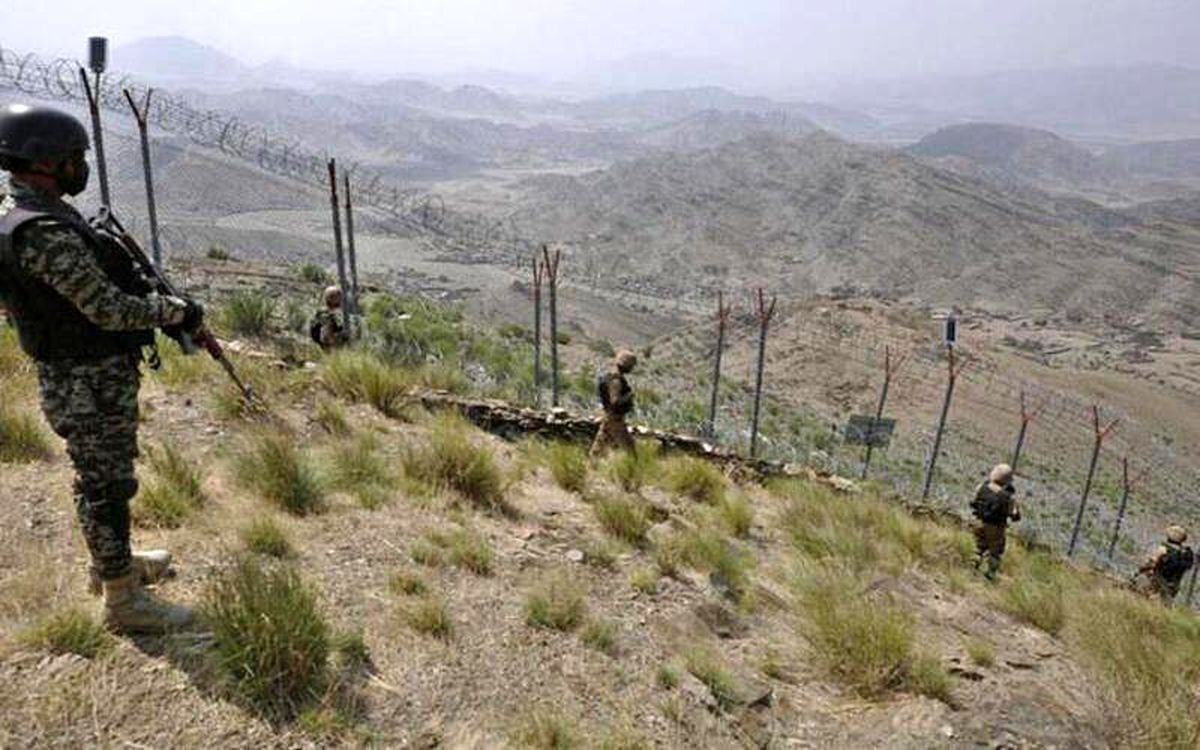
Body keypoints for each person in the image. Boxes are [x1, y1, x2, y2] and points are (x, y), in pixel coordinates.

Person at [0, 104, 201, 633]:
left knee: (106, 480)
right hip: (84, 378)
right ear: (45, 161)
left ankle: (113, 566)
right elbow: (106, 308)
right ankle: (122, 600)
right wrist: (172, 311)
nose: (80, 166)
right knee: (104, 486)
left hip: (87, 373)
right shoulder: (41, 232)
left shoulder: (31, 215)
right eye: (74, 157)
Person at [969, 463, 1021, 580]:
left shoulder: (981, 487)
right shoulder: (1007, 497)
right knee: (995, 553)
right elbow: (1015, 516)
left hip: (979, 522)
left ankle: (972, 570)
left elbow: (973, 502)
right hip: (996, 528)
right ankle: (989, 576)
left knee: (978, 548)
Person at [590, 349, 637, 458]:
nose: (632, 368)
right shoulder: (616, 380)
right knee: (629, 449)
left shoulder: (610, 377)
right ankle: (632, 470)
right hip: (615, 419)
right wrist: (629, 396)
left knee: (599, 446)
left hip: (609, 416)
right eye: (631, 365)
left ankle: (591, 466)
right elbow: (615, 401)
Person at [1133, 526, 1195, 604]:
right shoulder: (1183, 553)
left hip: (1158, 581)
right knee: (1165, 603)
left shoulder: (1163, 549)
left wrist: (1141, 570)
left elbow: (1150, 563)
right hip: (1174, 584)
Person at [310, 285, 347, 350]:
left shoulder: (330, 313)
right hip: (326, 348)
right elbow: (325, 336)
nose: (340, 299)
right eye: (338, 297)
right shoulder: (325, 314)